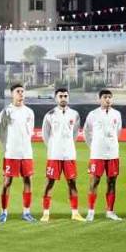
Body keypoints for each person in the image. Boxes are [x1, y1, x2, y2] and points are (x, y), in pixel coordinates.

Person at [40, 88, 83, 222]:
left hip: (69, 154)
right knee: (49, 183)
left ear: (68, 98)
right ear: (56, 98)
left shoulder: (74, 114)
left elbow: (75, 133)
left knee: (72, 183)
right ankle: (46, 213)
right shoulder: (50, 114)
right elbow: (45, 135)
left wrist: (67, 144)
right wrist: (54, 146)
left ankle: (75, 213)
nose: (63, 98)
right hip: (54, 155)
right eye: (60, 96)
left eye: (65, 96)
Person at [0, 83, 36, 222]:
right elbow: (0, 133)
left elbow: (30, 132)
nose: (21, 94)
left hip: (26, 153)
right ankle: (4, 212)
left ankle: (26, 212)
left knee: (28, 181)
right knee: (7, 182)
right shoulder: (6, 111)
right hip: (11, 153)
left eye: (22, 91)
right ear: (12, 94)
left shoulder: (29, 112)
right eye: (18, 91)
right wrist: (6, 148)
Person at [83, 89, 123, 222]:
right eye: (105, 97)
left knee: (112, 183)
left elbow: (118, 131)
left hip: (112, 153)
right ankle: (91, 211)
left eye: (110, 97)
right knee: (94, 182)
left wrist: (111, 144)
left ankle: (110, 211)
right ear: (100, 99)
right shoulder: (92, 114)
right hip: (97, 154)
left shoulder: (117, 114)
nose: (108, 99)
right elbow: (87, 132)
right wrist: (93, 146)